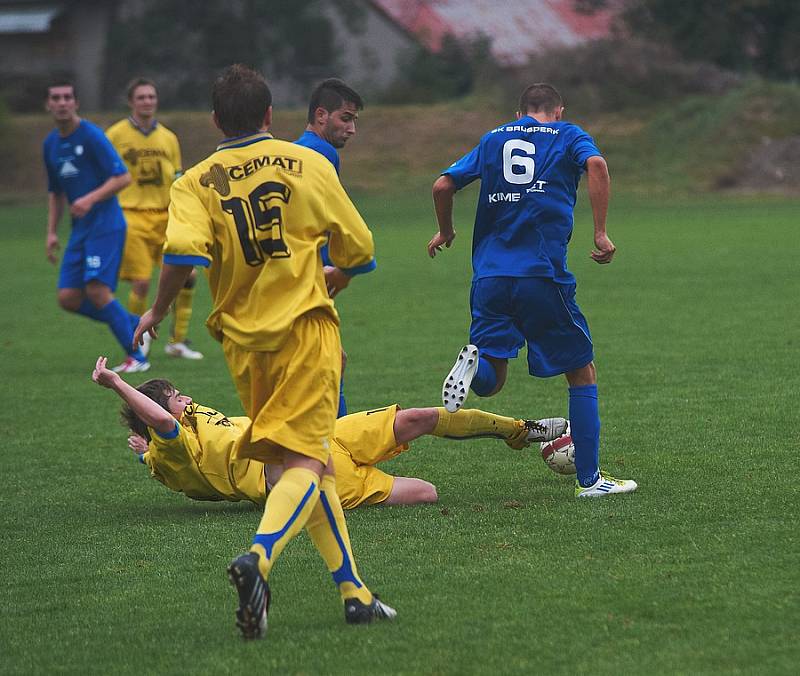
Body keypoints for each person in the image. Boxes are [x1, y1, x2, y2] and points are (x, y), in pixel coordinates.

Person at [132, 64, 392, 638]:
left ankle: (355, 593)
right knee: (305, 462)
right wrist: (336, 272)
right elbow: (360, 247)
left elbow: (180, 253)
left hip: (244, 346)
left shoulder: (194, 181)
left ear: (215, 121)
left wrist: (156, 311)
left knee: (305, 462)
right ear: (272, 116)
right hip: (305, 332)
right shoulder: (310, 163)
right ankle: (258, 560)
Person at [428, 83, 637, 499]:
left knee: (492, 379)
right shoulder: (568, 134)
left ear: (519, 109)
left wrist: (446, 229)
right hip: (539, 275)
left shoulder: (493, 139)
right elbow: (596, 165)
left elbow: (442, 185)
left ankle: (470, 368)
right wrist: (600, 232)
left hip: (488, 278)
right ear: (558, 110)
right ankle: (591, 481)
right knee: (582, 371)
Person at [91, 356, 567, 509]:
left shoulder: (180, 427)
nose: (181, 397)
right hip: (308, 474)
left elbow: (155, 433)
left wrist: (139, 451)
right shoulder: (173, 447)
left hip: (325, 434)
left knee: (419, 417)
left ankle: (521, 431)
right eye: (171, 395)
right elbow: (160, 428)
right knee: (428, 493)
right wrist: (116, 382)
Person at [42, 81, 149, 372]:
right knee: (68, 297)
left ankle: (137, 356)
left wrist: (89, 199)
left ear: (76, 103)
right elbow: (56, 192)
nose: (62, 102)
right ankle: (132, 323)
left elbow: (122, 178)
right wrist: (52, 231)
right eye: (56, 98)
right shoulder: (50, 144)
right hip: (80, 229)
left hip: (106, 224)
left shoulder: (91, 136)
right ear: (48, 105)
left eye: (67, 97)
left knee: (97, 290)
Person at [107, 77, 203, 362]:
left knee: (189, 275)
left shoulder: (168, 138)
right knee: (141, 282)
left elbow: (177, 176)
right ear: (131, 102)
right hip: (131, 215)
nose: (147, 101)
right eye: (141, 97)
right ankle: (137, 337)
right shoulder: (115, 135)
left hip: (165, 217)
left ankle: (177, 341)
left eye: (151, 96)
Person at [295, 78, 373, 417]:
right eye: (346, 118)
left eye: (354, 120)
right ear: (321, 115)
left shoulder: (295, 151)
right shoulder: (320, 153)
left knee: (327, 361)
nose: (352, 129)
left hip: (296, 276)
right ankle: (335, 446)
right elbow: (336, 221)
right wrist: (341, 269)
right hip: (307, 278)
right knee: (326, 363)